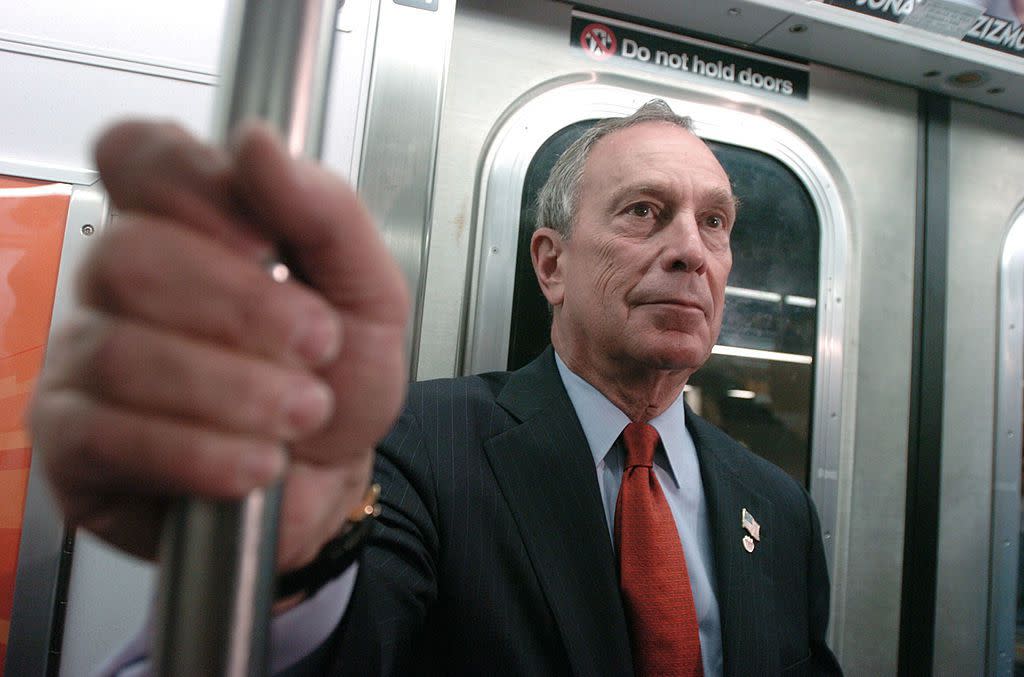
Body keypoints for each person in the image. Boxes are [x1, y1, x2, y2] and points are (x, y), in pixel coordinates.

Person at [29, 101, 841, 675]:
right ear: (550, 265)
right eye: (643, 211)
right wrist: (288, 564)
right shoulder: (421, 442)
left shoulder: (777, 507)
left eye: (715, 222)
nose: (690, 251)